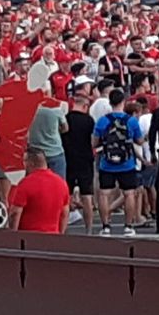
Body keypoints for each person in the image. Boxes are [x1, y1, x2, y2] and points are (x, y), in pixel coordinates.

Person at [92, 88, 144, 236]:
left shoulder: (103, 120)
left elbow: (94, 143)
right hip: (127, 162)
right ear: (123, 102)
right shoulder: (131, 121)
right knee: (129, 194)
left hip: (107, 163)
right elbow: (139, 141)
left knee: (104, 194)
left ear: (110, 102)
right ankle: (128, 226)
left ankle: (105, 226)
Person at [9, 148, 71, 234]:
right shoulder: (61, 183)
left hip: (29, 236)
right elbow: (65, 213)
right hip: (53, 235)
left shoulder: (25, 183)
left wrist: (13, 234)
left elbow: (15, 212)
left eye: (24, 161)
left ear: (30, 163)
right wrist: (60, 233)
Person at [61, 94, 96, 234]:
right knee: (87, 195)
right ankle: (89, 229)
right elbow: (93, 140)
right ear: (85, 106)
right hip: (85, 159)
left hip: (68, 159)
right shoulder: (89, 120)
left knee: (66, 195)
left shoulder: (66, 119)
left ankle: (63, 227)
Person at [27, 100, 69, 179]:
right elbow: (65, 128)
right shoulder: (56, 109)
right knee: (58, 183)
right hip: (55, 151)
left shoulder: (31, 108)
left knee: (36, 183)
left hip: (35, 153)